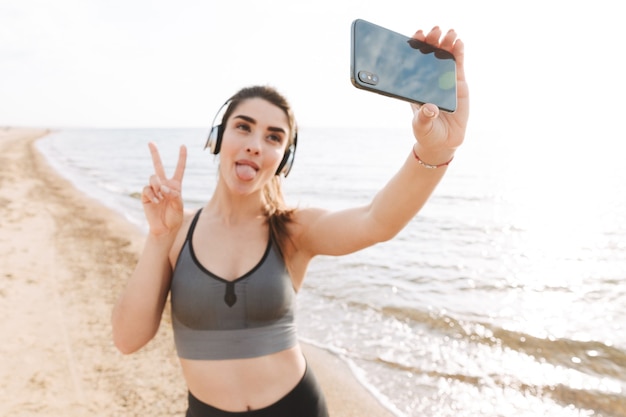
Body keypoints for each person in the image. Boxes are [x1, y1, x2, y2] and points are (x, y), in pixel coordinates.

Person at [111, 25, 469, 417]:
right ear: (219, 137)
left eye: (273, 136)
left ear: (285, 158)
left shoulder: (294, 230)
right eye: (243, 127)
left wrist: (434, 151)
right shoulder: (177, 232)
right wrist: (159, 237)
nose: (254, 143)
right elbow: (128, 339)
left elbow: (376, 221)